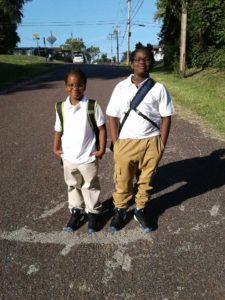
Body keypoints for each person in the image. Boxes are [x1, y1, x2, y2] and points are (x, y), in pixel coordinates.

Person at [106, 43, 175, 232]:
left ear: (151, 62)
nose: (142, 62)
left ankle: (140, 209)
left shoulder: (159, 88)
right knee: (123, 179)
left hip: (151, 142)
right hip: (125, 142)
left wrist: (161, 143)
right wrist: (116, 142)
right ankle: (120, 210)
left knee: (146, 180)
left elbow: (166, 116)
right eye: (138, 59)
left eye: (146, 59)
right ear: (131, 63)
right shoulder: (120, 87)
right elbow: (112, 115)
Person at [53, 68, 106, 233]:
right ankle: (76, 211)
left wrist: (101, 149)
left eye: (79, 85)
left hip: (88, 157)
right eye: (71, 85)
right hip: (68, 157)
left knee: (90, 186)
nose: (75, 89)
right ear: (65, 87)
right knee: (72, 185)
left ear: (85, 86)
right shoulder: (60, 107)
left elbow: (102, 129)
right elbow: (58, 129)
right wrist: (55, 148)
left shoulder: (92, 106)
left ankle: (93, 213)